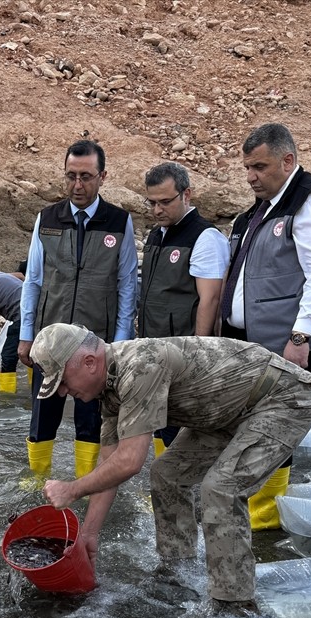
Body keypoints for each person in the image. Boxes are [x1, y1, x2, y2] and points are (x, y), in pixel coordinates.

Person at [32, 323, 311, 616]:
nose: (63, 392)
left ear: (90, 362)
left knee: (221, 488)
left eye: (63, 381)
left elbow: (130, 461)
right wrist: (89, 534)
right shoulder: (109, 388)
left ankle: (233, 605)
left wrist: (72, 490)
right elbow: (110, 464)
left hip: (281, 398)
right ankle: (178, 571)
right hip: (226, 411)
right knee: (166, 474)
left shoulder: (140, 366)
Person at [221, 122, 311, 527]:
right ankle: (251, 502)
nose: (250, 176)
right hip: (255, 338)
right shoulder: (265, 206)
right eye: (247, 167)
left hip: (285, 340)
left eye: (259, 166)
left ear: (288, 160)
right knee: (253, 422)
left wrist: (300, 334)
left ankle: (265, 514)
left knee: (276, 424)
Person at [17, 139, 137, 484]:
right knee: (43, 412)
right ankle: (37, 481)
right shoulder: (47, 219)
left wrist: (120, 343)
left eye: (86, 176)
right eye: (71, 176)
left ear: (102, 177)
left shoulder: (119, 222)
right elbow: (33, 281)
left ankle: (86, 483)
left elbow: (127, 285)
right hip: (49, 339)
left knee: (92, 417)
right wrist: (26, 335)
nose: (78, 185)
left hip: (96, 344)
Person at [138, 161, 230, 454]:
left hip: (184, 355)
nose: (157, 210)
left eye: (165, 202)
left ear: (186, 194)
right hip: (155, 350)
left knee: (181, 431)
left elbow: (210, 299)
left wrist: (198, 354)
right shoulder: (157, 235)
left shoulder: (205, 237)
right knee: (160, 423)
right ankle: (160, 477)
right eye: (152, 202)